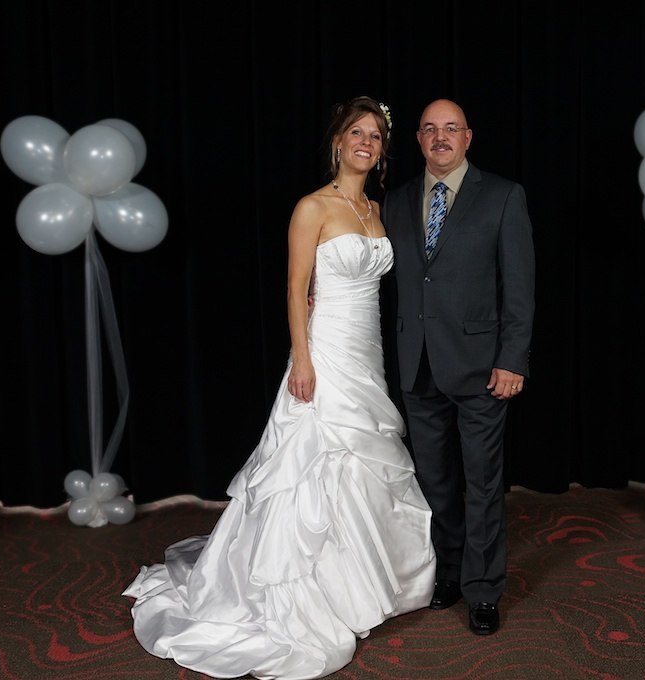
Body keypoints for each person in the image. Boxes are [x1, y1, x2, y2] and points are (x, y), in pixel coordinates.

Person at [123, 96, 435, 680]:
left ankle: (358, 585)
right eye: (356, 133)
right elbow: (295, 288)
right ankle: (302, 595)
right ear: (338, 142)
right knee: (310, 463)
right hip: (325, 350)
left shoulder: (376, 207)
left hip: (368, 352)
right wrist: (303, 359)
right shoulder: (311, 207)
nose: (366, 142)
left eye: (375, 135)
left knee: (365, 458)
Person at [383, 99, 535, 636]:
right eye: (430, 129)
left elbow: (519, 288)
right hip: (417, 365)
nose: (440, 137)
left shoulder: (502, 196)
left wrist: (512, 359)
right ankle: (447, 572)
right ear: (419, 141)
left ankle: (484, 589)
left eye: (451, 128)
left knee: (483, 483)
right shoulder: (396, 202)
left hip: (482, 370)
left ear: (468, 137)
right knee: (435, 482)